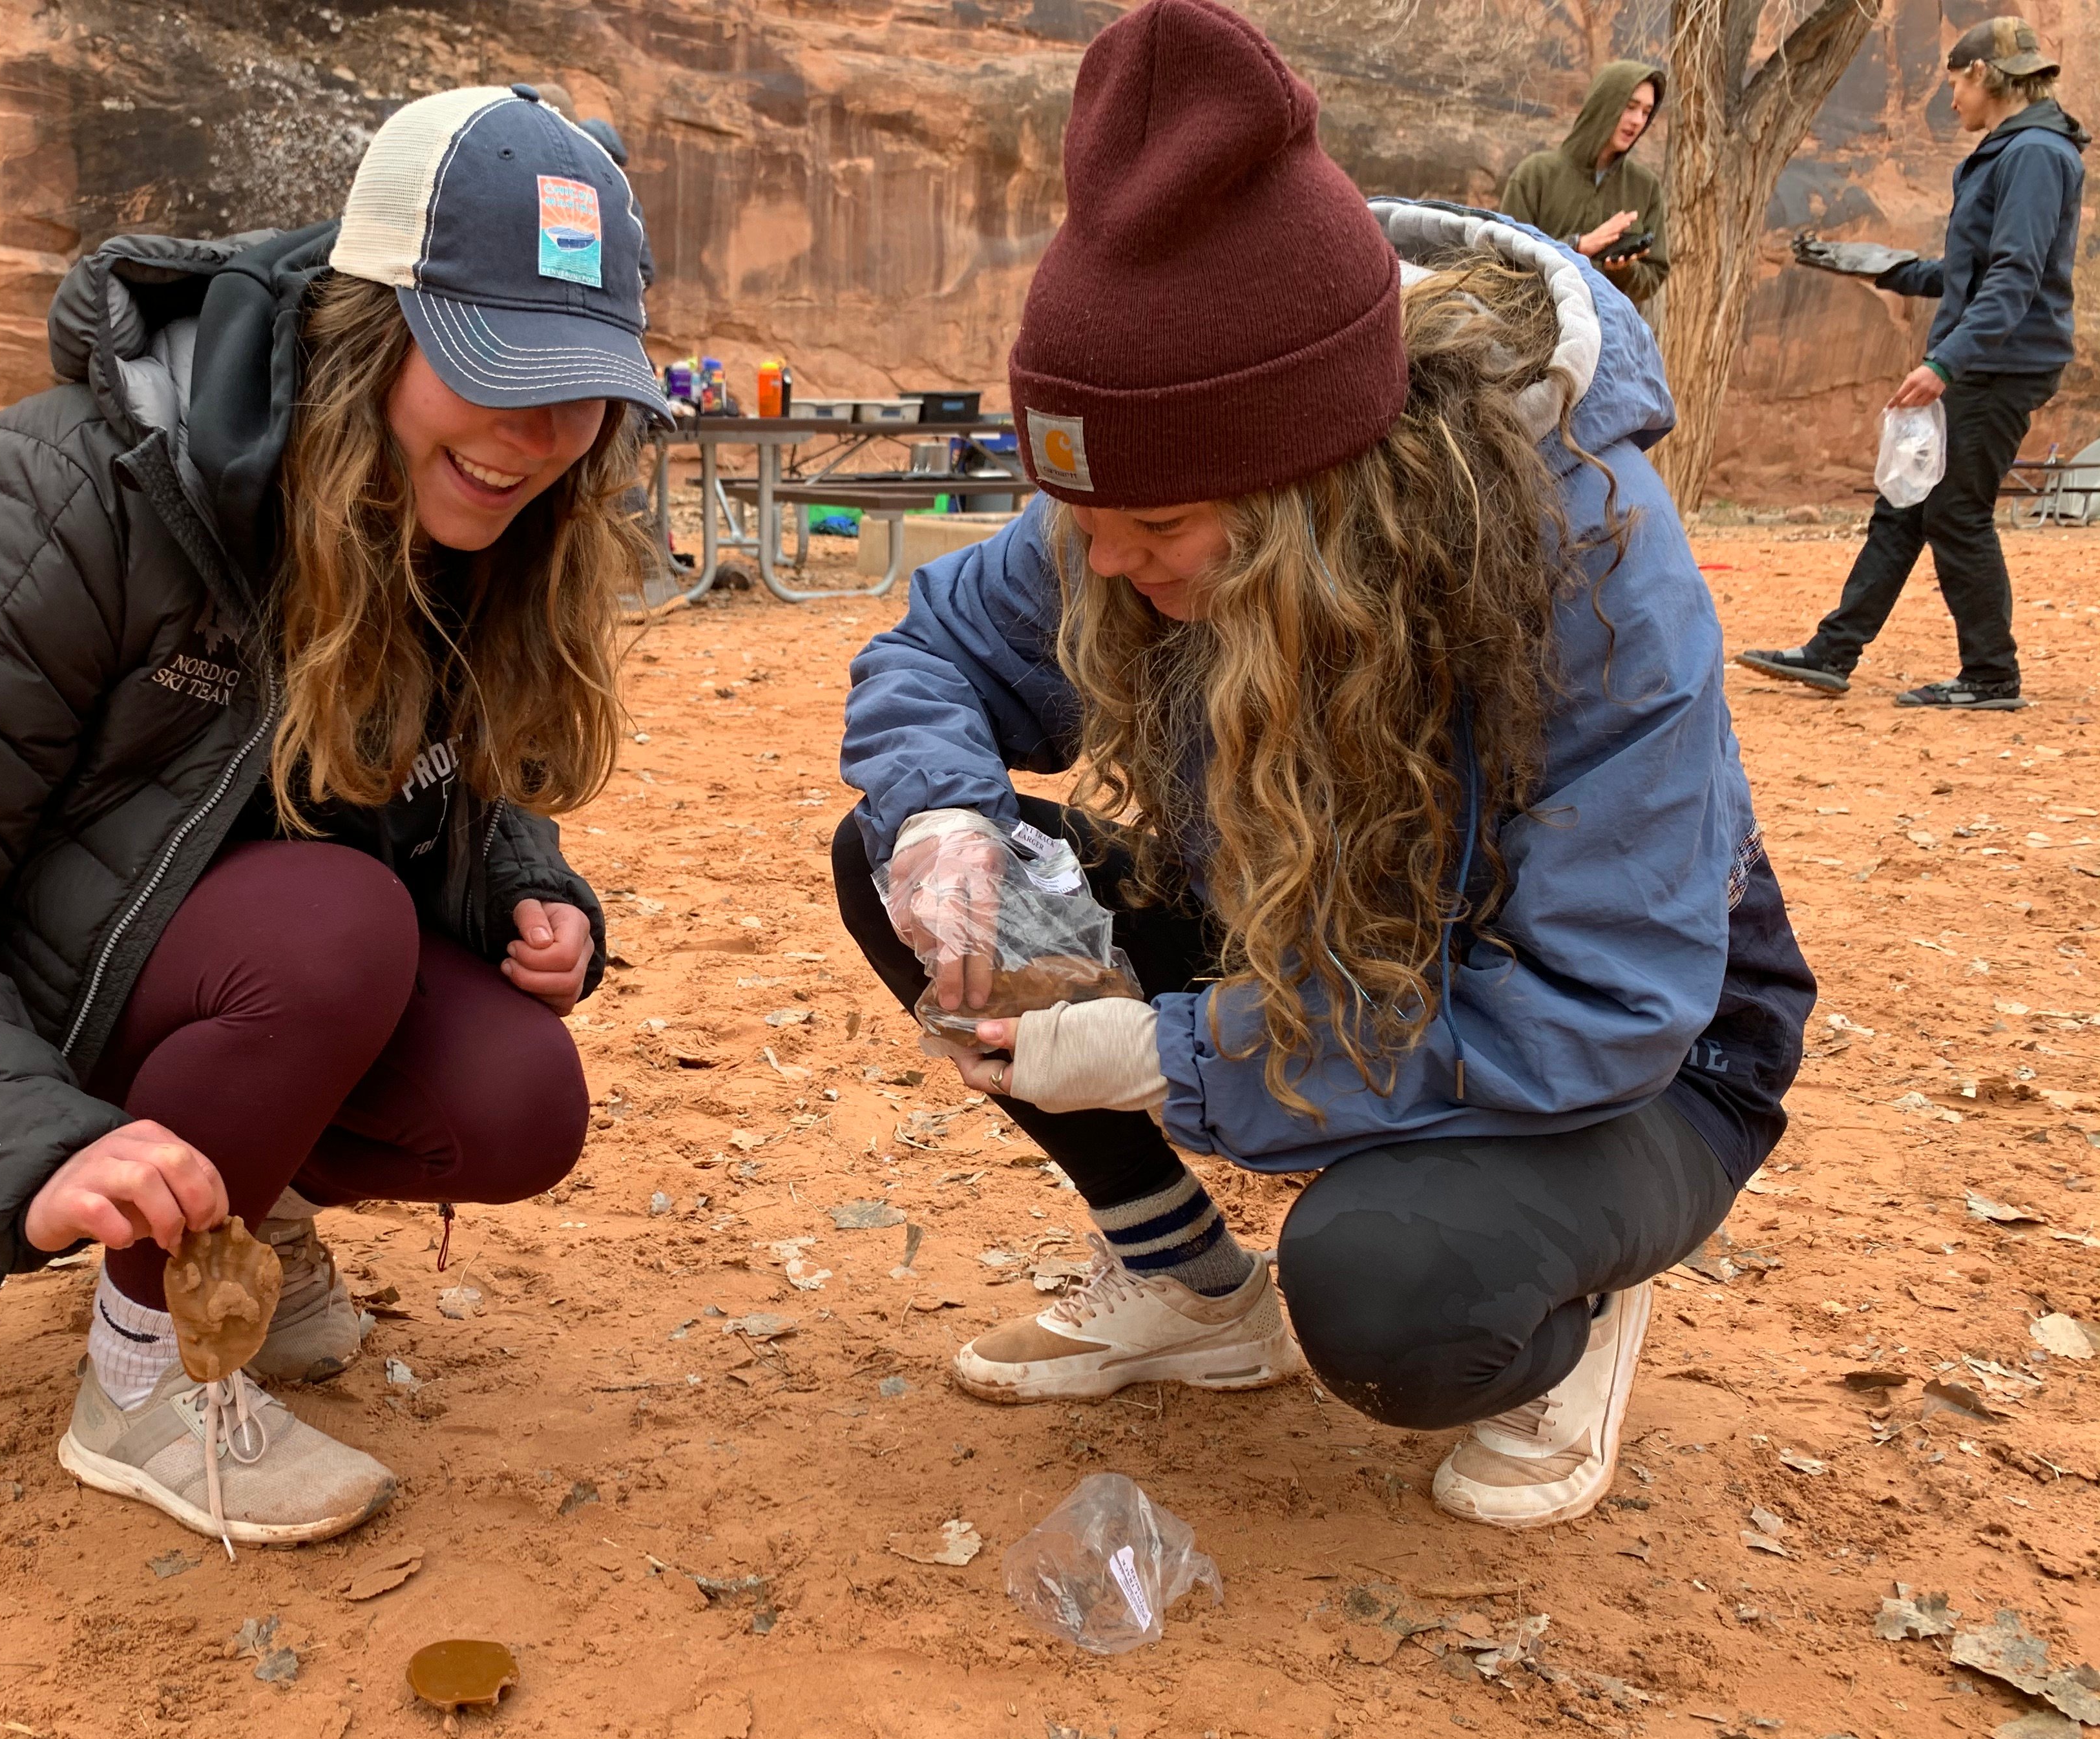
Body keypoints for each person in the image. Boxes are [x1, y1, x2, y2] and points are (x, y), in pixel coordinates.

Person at [834, 0, 1816, 1530]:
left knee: (1388, 1286)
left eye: (1156, 535)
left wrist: (1175, 1054)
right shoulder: (1133, 501)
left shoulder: (1590, 560)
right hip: (1315, 948)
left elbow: (1607, 1002)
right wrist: (944, 817)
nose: (1107, 565)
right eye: (1085, 524)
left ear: (1316, 485)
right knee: (919, 865)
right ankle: (1184, 1290)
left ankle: (1587, 1275)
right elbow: (930, 655)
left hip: (1637, 1064)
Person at [0, 85, 674, 1547]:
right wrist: (31, 1139)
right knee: (332, 927)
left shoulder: (465, 523)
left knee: (518, 1100)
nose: (540, 434)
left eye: (581, 386)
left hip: (237, 961)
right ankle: (143, 1386)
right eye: (495, 367)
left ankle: (246, 1203)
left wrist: (524, 880)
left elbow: (420, 785)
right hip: (23, 1011)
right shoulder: (73, 487)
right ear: (373, 329)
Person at [1744, 18, 2084, 711]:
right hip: (1985, 355)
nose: (1951, 97)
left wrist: (1946, 364)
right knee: (1906, 504)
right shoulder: (2012, 151)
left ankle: (1991, 675)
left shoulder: (2036, 156)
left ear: (1984, 73)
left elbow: (2015, 279)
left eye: (1954, 80)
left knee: (1956, 511)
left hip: (1999, 364)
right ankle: (1832, 653)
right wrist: (1881, 267)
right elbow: (1971, 270)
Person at [1499, 59, 1670, 304]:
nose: (1637, 121)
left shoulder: (1646, 187)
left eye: (1646, 112)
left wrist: (1622, 270)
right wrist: (1576, 247)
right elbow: (1505, 262)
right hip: (1536, 332)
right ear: (1604, 105)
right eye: (1630, 107)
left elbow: (1654, 276)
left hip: (1610, 336)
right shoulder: (1534, 175)